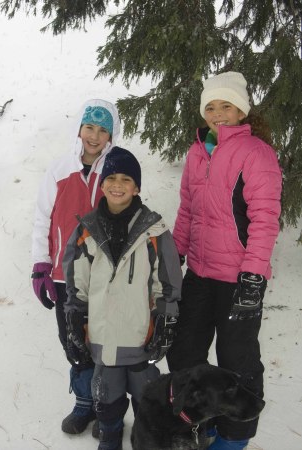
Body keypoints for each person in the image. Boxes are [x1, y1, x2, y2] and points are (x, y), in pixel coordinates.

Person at [167, 72, 282, 450]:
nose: (218, 114)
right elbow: (187, 211)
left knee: (238, 359)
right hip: (199, 274)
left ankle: (234, 438)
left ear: (241, 110)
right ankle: (203, 422)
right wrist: (174, 257)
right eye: (211, 107)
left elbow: (265, 219)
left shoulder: (256, 153)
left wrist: (253, 277)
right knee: (184, 352)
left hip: (238, 278)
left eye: (226, 106)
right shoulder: (197, 152)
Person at [63, 146, 183, 450]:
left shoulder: (154, 230)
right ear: (102, 184)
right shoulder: (86, 230)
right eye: (111, 178)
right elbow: (77, 284)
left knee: (146, 393)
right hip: (102, 337)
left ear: (137, 186)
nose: (117, 185)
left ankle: (146, 436)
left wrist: (166, 320)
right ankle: (111, 433)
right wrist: (75, 318)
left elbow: (167, 281)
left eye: (126, 179)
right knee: (107, 394)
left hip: (140, 335)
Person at [31, 99, 120, 435]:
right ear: (79, 129)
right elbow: (42, 219)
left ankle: (105, 404)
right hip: (64, 275)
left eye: (102, 129)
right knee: (73, 340)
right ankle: (84, 400)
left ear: (112, 134)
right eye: (89, 127)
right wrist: (41, 264)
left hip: (103, 277)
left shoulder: (116, 169)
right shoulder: (59, 169)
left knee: (103, 341)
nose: (94, 136)